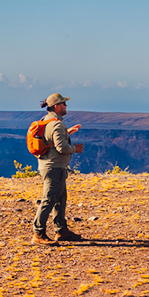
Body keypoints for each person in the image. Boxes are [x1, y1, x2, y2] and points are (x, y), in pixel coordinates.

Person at [32, 92, 86, 245]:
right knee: (49, 200)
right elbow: (61, 147)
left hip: (50, 166)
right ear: (56, 106)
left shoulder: (47, 121)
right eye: (63, 104)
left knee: (60, 199)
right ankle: (38, 233)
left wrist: (67, 132)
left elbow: (51, 139)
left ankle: (61, 230)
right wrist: (75, 149)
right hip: (54, 167)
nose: (66, 106)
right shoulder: (56, 124)